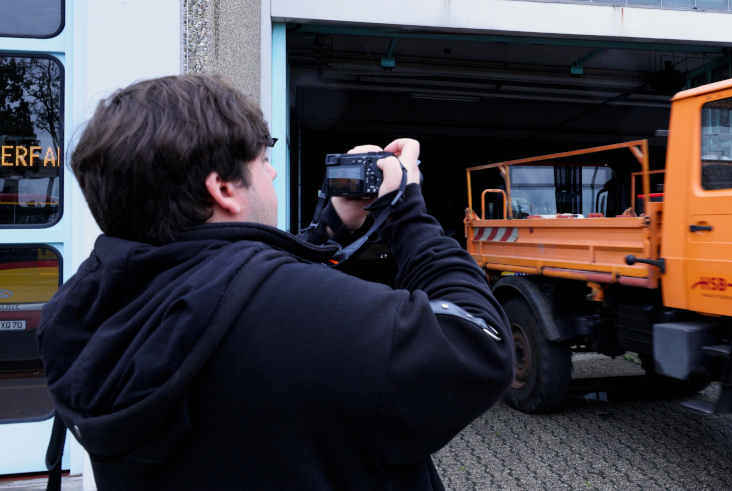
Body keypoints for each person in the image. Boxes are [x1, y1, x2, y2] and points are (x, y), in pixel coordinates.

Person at [37, 74, 513, 490]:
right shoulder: (291, 315)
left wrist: (327, 230)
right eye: (262, 158)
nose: (273, 170)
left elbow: (229, 275)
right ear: (222, 188)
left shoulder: (85, 305)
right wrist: (408, 211)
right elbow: (479, 345)